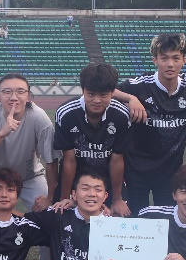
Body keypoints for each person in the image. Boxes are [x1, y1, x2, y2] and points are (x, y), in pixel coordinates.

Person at [113, 33, 186, 213]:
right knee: (136, 219)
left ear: (184, 60)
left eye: (176, 58)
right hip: (135, 170)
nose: (170, 64)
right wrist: (130, 98)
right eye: (164, 58)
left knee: (167, 220)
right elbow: (107, 90)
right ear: (155, 60)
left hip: (170, 172)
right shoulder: (139, 86)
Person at [0, 73, 57, 214]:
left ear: (28, 96)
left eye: (20, 92)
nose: (14, 97)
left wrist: (50, 198)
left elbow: (51, 161)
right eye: (7, 92)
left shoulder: (39, 117)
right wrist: (2, 133)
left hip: (29, 177)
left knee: (49, 215)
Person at [52, 63, 132, 216]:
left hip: (107, 179)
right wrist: (65, 197)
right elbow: (69, 160)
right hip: (76, 179)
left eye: (103, 95)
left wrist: (117, 199)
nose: (97, 100)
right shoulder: (65, 113)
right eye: (91, 94)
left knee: (117, 218)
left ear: (112, 93)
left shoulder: (121, 115)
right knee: (64, 218)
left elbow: (117, 160)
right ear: (83, 90)